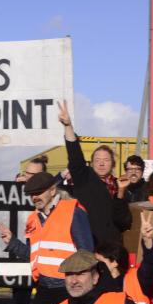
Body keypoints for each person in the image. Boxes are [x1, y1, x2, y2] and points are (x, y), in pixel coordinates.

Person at [0, 172, 94, 304]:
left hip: (67, 287)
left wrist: (80, 286)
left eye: (38, 192)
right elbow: (34, 255)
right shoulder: (33, 218)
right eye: (32, 194)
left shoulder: (73, 211)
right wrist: (12, 242)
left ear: (52, 190)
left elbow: (86, 253)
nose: (34, 197)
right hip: (43, 287)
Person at [58, 100, 132, 246]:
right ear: (91, 163)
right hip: (87, 245)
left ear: (113, 164)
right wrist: (68, 126)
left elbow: (123, 222)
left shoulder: (120, 185)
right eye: (97, 160)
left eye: (106, 160)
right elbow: (75, 156)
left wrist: (121, 193)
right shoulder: (84, 178)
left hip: (112, 248)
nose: (101, 163)